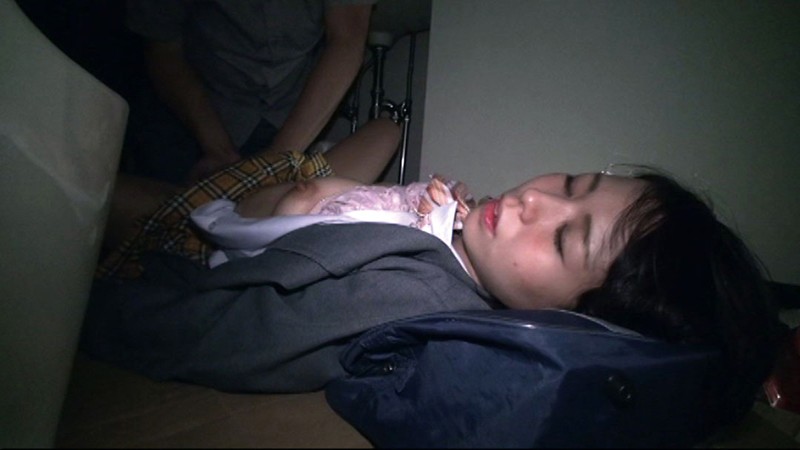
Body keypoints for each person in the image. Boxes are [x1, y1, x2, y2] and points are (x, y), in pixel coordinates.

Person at [83, 126, 782, 435]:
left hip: (191, 249)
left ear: (578, 323)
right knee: (375, 135)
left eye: (564, 239)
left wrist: (87, 309)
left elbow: (220, 338)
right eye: (573, 182)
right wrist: (428, 210)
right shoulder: (464, 255)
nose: (536, 199)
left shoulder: (407, 294)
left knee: (93, 194)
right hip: (263, 214)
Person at [123, 0, 377, 184]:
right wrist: (217, 148)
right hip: (194, 105)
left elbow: (347, 38)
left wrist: (277, 159)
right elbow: (163, 48)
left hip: (291, 107)